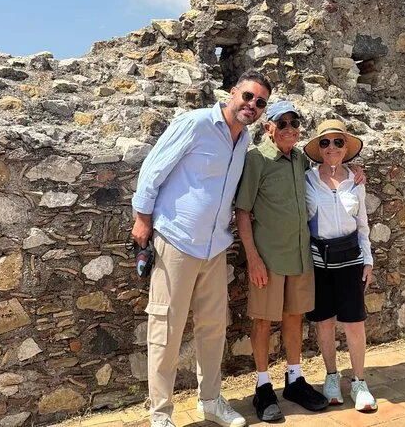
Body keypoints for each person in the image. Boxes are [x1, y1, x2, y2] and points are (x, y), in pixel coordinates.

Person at [131, 71, 272, 427]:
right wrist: (142, 218)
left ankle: (209, 401)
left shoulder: (244, 139)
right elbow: (153, 168)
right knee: (166, 329)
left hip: (214, 246)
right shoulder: (196, 124)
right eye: (248, 96)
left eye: (260, 103)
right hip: (176, 240)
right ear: (233, 93)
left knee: (213, 328)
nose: (252, 105)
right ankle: (160, 414)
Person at [235, 101, 328, 422]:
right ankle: (263, 387)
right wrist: (253, 258)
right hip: (269, 257)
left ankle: (294, 379)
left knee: (294, 317)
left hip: (300, 255)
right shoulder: (257, 160)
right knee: (262, 321)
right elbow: (243, 212)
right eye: (282, 123)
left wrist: (355, 172)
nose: (290, 129)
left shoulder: (300, 159)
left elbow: (330, 169)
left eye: (294, 123)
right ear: (268, 127)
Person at [302, 119, 377, 412]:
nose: (331, 148)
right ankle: (331, 376)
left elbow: (362, 225)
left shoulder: (355, 181)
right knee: (324, 322)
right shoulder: (307, 180)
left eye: (338, 142)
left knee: (354, 323)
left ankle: (359, 381)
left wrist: (368, 260)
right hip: (319, 261)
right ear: (318, 148)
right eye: (325, 142)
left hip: (350, 260)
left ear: (346, 148)